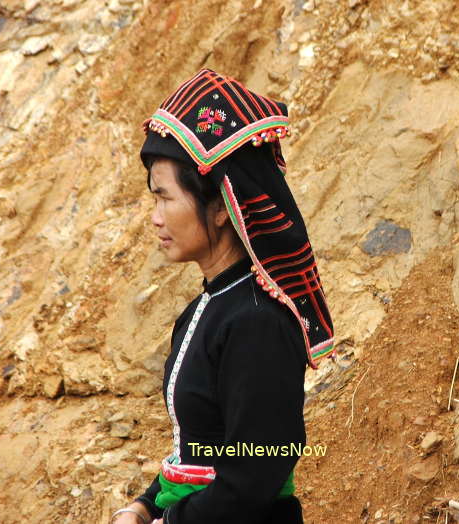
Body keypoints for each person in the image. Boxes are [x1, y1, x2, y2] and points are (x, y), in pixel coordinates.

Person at [110, 69, 334, 524]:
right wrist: (142, 506)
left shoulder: (257, 322)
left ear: (218, 207)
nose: (155, 218)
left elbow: (258, 471)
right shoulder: (208, 308)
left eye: (165, 199)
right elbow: (200, 445)